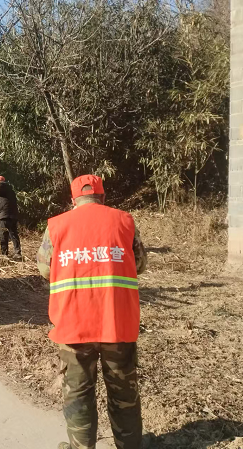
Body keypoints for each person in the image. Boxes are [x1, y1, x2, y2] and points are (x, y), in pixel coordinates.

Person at [36, 174, 148, 449]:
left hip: (74, 327)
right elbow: (141, 264)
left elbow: (45, 269)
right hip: (117, 325)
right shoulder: (124, 221)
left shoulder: (56, 226)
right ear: (103, 197)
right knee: (124, 394)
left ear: (73, 200)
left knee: (77, 393)